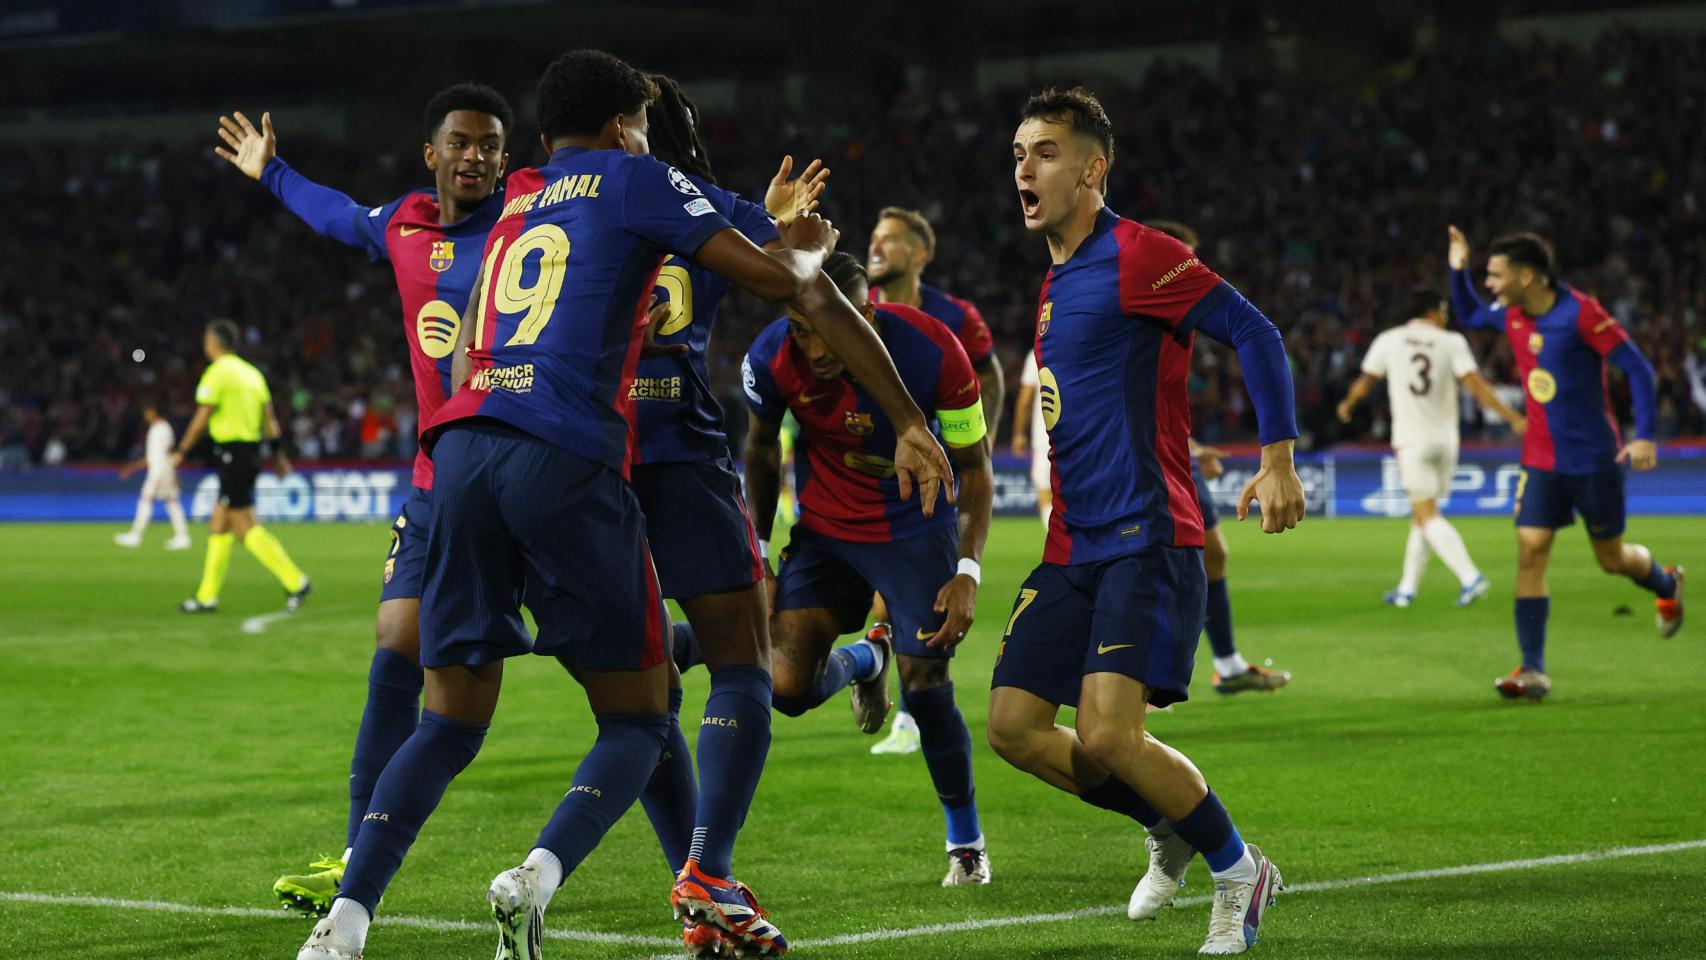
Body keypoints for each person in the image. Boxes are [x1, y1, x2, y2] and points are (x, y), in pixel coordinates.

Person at [295, 50, 952, 960]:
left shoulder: (517, 194)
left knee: (451, 717)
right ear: (621, 130)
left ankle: (347, 921)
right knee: (660, 704)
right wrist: (796, 243)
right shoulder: (642, 181)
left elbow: (457, 341)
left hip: (461, 450)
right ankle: (629, 873)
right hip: (592, 456)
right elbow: (790, 282)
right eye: (640, 126)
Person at [987, 87, 1305, 955]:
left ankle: (1241, 873)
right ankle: (1167, 821)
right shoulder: (1056, 275)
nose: (1023, 165)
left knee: (1106, 733)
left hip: (1143, 534)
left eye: (1045, 151)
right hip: (1070, 544)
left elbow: (1256, 333)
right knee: (1014, 727)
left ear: (1093, 169)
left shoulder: (1138, 254)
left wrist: (1277, 460)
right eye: (1018, 150)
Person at [214, 85, 516, 913]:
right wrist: (271, 174)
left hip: (526, 476)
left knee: (613, 667)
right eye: (462, 141)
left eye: (492, 144)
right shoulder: (405, 223)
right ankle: (354, 856)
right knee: (395, 642)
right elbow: (336, 214)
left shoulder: (532, 218)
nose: (477, 156)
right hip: (436, 478)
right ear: (432, 153)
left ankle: (698, 647)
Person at [743, 252, 995, 885]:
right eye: (803, 327)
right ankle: (865, 660)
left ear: (866, 314)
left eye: (829, 325)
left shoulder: (937, 351)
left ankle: (965, 842)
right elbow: (759, 451)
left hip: (916, 527)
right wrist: (759, 552)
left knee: (928, 682)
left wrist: (968, 569)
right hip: (827, 530)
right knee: (785, 689)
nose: (816, 345)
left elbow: (975, 467)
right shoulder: (771, 358)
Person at [1447, 227, 1684, 699]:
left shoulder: (1582, 315)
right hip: (1540, 459)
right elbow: (1470, 312)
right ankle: (1532, 670)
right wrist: (1458, 268)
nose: (1489, 283)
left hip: (1594, 459)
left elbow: (1637, 368)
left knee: (1611, 559)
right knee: (1531, 550)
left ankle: (1665, 581)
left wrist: (1645, 437)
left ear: (1528, 276)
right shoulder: (1511, 315)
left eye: (1495, 274)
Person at [865, 207, 1005, 754]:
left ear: (920, 255)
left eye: (891, 240)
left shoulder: (955, 316)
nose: (877, 247)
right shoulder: (854, 310)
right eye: (874, 238)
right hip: (866, 475)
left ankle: (904, 708)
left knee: (913, 598)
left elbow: (987, 373)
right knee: (883, 601)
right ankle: (874, 658)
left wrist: (978, 436)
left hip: (935, 479)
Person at [1148, 219, 1290, 695]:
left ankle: (1227, 665)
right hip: (1140, 464)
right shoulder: (1130, 311)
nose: (1191, 269)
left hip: (1173, 455)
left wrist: (1190, 449)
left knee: (1211, 554)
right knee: (1152, 566)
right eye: (1183, 258)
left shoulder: (1172, 327)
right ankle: (1139, 681)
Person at [1337, 285, 1527, 608]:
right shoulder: (1452, 342)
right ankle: (1407, 589)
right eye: (1443, 311)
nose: (1445, 316)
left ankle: (1471, 578)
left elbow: (1366, 380)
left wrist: (1347, 405)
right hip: (1446, 441)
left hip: (1412, 440)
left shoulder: (1389, 339)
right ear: (1432, 311)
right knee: (1424, 515)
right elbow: (1477, 387)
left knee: (1426, 515)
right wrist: (1513, 418)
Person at [174, 320, 309, 614]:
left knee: (244, 527)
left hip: (232, 454)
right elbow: (269, 420)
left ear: (214, 342)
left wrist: (181, 451)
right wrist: (279, 456)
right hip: (249, 454)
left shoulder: (217, 374)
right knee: (219, 523)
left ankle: (296, 581)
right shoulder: (252, 374)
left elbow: (202, 417)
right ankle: (206, 597)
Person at [114, 400, 192, 550]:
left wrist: (173, 472)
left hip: (160, 471)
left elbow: (166, 453)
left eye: (148, 411)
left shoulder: (161, 429)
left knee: (146, 499)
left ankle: (136, 535)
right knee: (171, 502)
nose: (145, 415)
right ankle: (183, 536)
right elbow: (155, 456)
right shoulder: (158, 428)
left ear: (154, 412)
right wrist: (133, 468)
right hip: (162, 469)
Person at [1011, 350, 1052, 524]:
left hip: (1045, 438)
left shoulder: (1037, 353)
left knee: (1045, 491)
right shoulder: (1079, 345)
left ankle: (1058, 544)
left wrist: (1019, 434)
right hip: (1078, 435)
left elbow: (1026, 398)